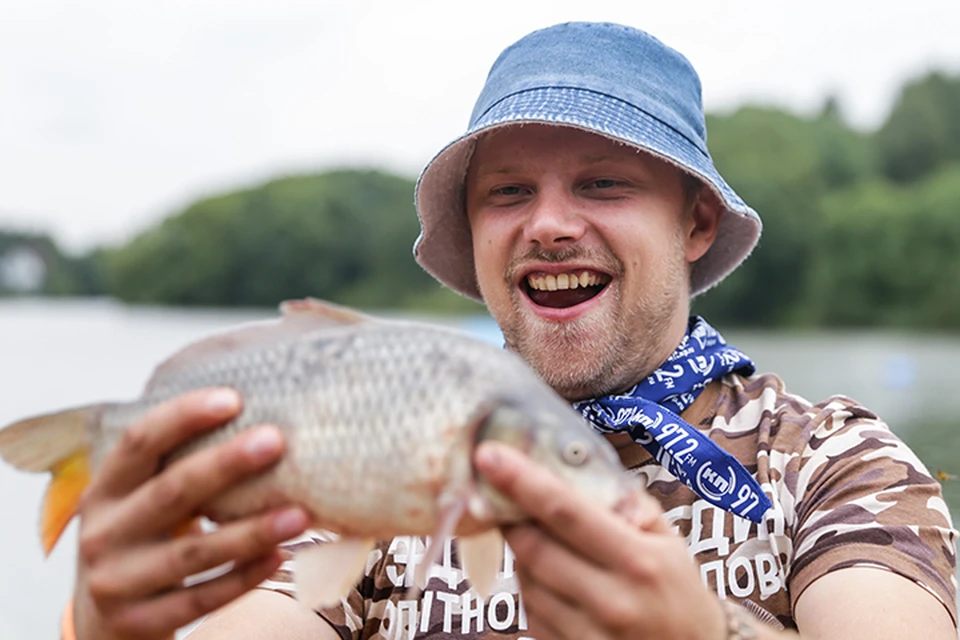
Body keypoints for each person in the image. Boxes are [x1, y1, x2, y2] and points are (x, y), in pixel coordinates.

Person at [65, 21, 956, 640]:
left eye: (604, 183)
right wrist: (111, 624)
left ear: (694, 226)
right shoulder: (373, 460)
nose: (550, 224)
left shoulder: (837, 462)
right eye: (508, 192)